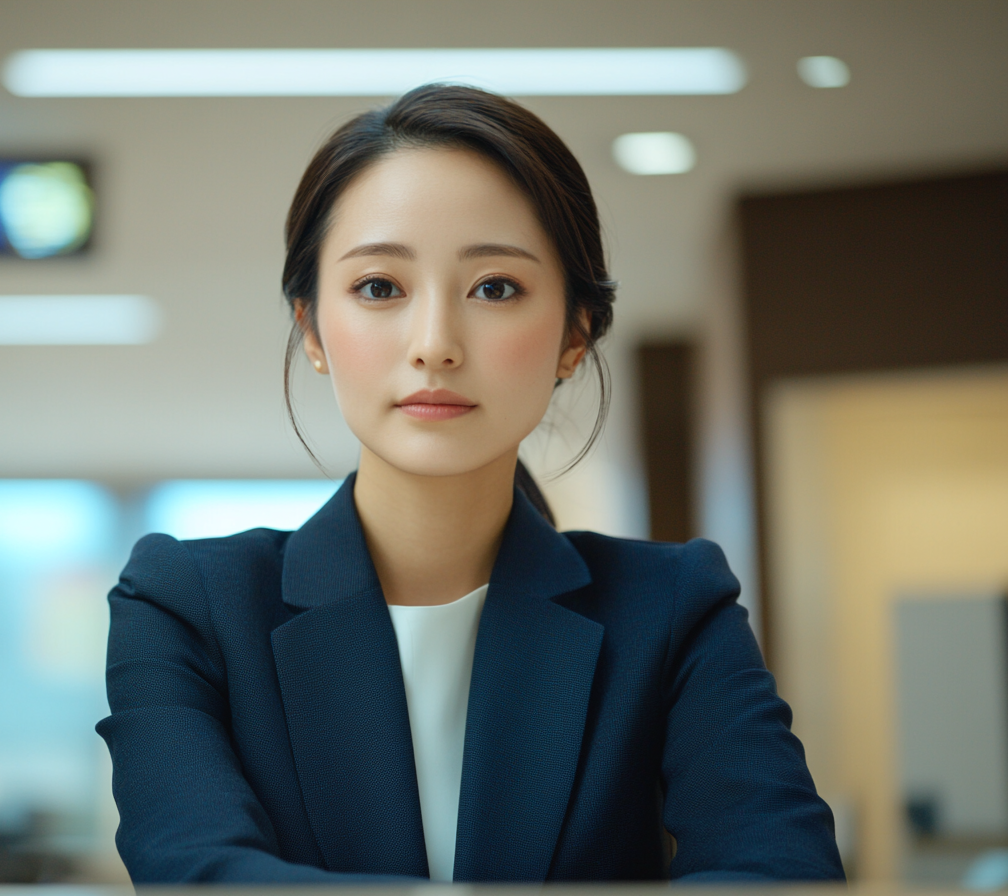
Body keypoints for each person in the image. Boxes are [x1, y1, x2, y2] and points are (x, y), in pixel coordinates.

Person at [95, 84, 844, 884]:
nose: (435, 344)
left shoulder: (674, 608)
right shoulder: (185, 605)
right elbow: (201, 877)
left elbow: (779, 875)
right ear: (312, 328)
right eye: (380, 287)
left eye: (496, 287)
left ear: (574, 335)